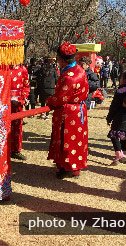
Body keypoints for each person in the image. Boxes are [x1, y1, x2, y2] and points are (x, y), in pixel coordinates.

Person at [46, 42, 89, 179]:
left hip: (68, 113)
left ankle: (66, 167)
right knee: (77, 140)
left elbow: (60, 98)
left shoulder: (69, 76)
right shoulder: (79, 69)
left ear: (62, 59)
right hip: (78, 111)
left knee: (65, 140)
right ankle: (75, 167)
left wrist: (49, 101)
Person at [106, 72, 126, 166]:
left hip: (120, 115)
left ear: (125, 80)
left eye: (121, 78)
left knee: (114, 134)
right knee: (123, 134)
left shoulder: (120, 91)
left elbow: (114, 106)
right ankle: (123, 152)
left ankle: (119, 154)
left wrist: (109, 117)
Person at [10, 64, 30, 160]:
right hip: (4, 102)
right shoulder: (3, 67)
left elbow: (26, 85)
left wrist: (24, 97)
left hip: (18, 102)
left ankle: (16, 150)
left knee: (17, 127)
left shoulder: (22, 69)